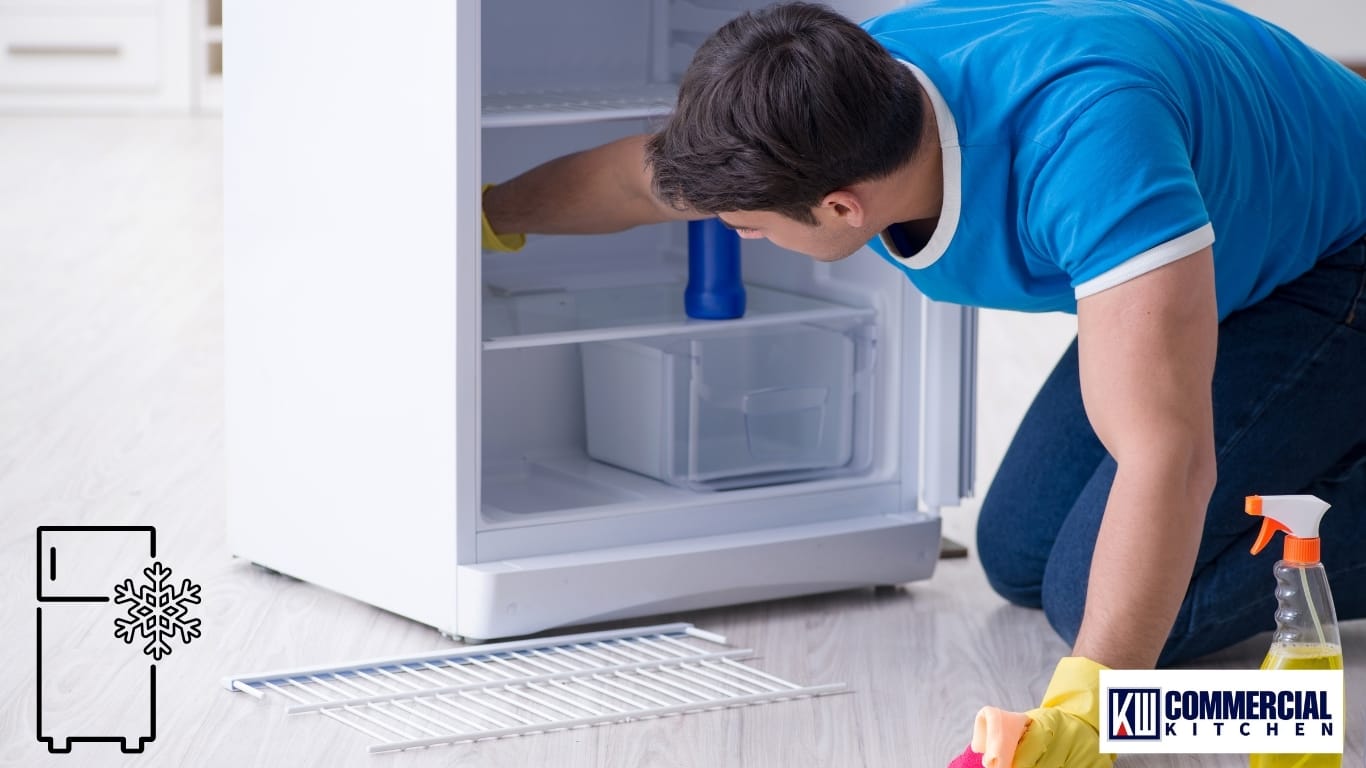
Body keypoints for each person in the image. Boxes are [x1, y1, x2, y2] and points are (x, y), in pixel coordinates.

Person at [482, 0, 1366, 763]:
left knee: (1122, 619)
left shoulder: (1089, 147)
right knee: (1020, 559)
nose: (736, 235)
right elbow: (644, 181)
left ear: (841, 209)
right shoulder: (832, 97)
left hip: (1336, 256)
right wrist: (483, 215)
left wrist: (1090, 714)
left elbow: (1165, 457)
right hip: (1232, 233)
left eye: (745, 226)